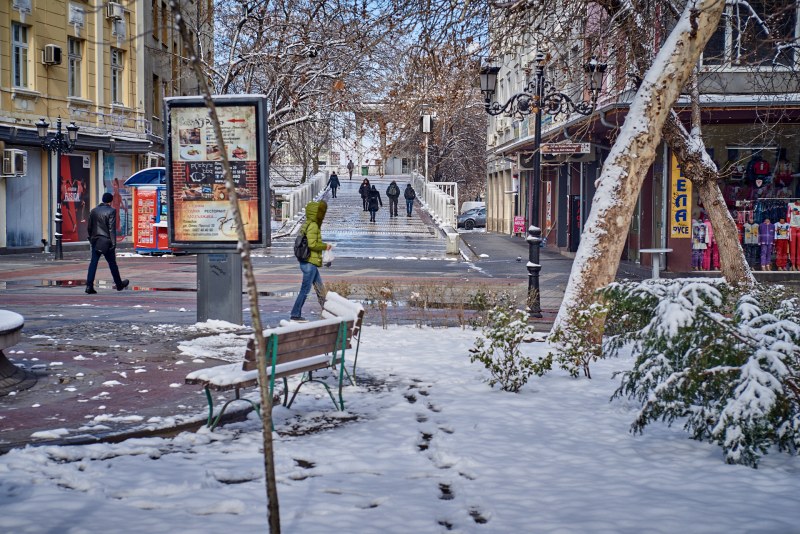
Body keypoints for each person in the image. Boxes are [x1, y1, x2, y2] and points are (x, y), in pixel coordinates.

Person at [290, 200, 332, 322]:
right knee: (305, 290)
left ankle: (327, 311)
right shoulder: (313, 225)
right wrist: (325, 246)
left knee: (320, 288)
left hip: (309, 261)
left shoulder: (308, 223)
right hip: (309, 262)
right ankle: (295, 314)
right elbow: (312, 244)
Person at [85, 193, 129, 294]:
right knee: (112, 263)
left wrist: (92, 239)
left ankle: (89, 286)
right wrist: (113, 243)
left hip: (96, 240)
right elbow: (111, 228)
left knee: (93, 263)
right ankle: (119, 284)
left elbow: (89, 227)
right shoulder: (111, 211)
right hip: (106, 241)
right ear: (111, 201)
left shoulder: (94, 211)